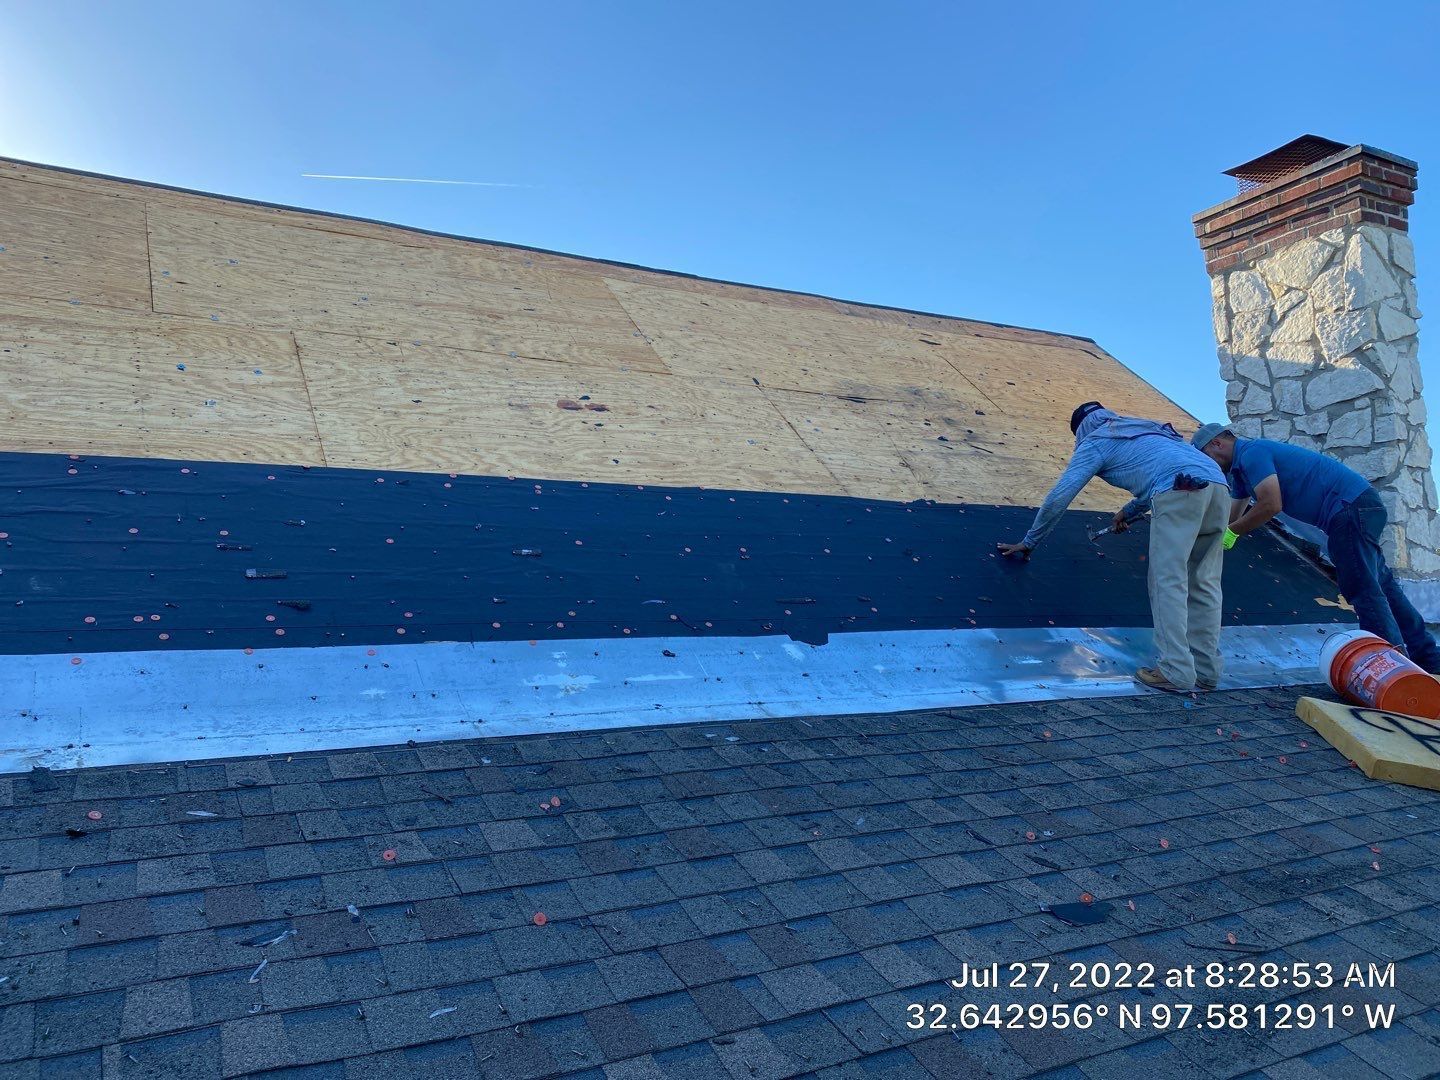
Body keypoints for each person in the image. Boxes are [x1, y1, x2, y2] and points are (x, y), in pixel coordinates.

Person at [997, 402, 1230, 693]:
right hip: (1218, 486)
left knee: (1168, 579)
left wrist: (1031, 541)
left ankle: (1176, 670)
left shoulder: (1096, 440)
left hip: (1180, 491)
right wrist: (1129, 512)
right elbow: (1173, 469)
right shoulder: (1146, 429)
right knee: (1205, 583)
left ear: (1081, 430)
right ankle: (1207, 671)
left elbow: (1060, 495)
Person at [1192, 423, 1440, 672]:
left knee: (1361, 587)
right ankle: (1428, 657)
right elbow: (1232, 518)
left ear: (1217, 443)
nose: (1207, 463)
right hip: (1359, 508)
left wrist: (1233, 533)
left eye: (1205, 456)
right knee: (1384, 587)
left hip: (1350, 509)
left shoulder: (1252, 453)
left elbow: (1271, 504)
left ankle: (1392, 668)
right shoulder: (1240, 474)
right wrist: (1212, 538)